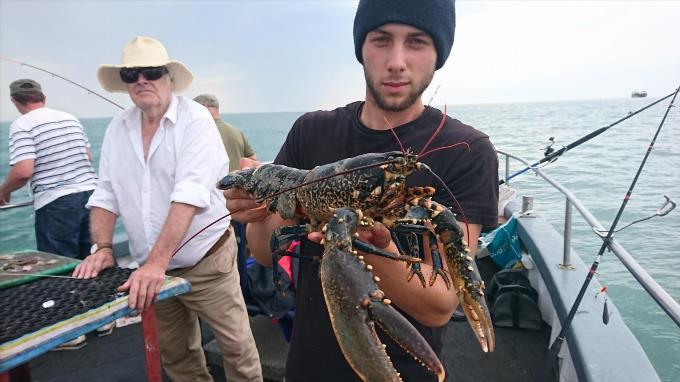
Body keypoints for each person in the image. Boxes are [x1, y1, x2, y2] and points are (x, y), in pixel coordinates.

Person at [223, 1, 498, 381]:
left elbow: (440, 307)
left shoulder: (467, 149)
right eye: (381, 40)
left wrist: (382, 246)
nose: (397, 60)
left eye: (416, 42)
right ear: (361, 47)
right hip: (308, 365)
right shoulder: (310, 131)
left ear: (439, 53)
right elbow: (264, 252)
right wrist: (255, 213)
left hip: (408, 369)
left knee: (434, 215)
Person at [73, 36, 262, 382]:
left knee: (237, 348)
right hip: (153, 268)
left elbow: (189, 194)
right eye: (132, 74)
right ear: (126, 84)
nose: (142, 79)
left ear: (168, 78)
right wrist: (101, 248)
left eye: (152, 71)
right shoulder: (118, 128)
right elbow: (105, 193)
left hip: (206, 262)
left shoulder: (196, 121)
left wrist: (155, 265)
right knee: (177, 356)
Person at [0, 79, 97, 260]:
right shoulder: (70, 118)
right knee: (94, 259)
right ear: (42, 97)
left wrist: (3, 191)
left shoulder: (22, 124)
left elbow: (23, 171)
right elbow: (88, 157)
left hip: (57, 203)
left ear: (14, 100)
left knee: (60, 264)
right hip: (92, 195)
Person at [193, 94, 260, 172]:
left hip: (215, 184)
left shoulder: (198, 133)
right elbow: (252, 160)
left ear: (202, 109)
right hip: (238, 182)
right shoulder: (237, 131)